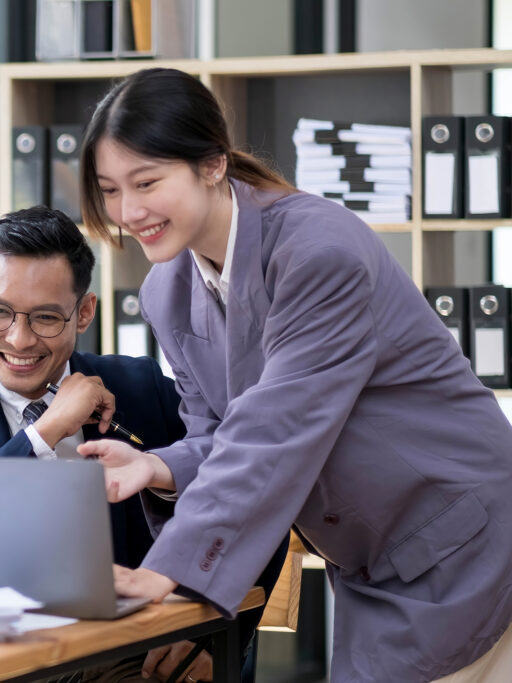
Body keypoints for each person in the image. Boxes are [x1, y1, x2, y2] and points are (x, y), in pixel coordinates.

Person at [76, 67, 512, 683]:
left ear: (212, 164)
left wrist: (164, 570)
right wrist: (160, 466)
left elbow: (276, 423)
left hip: (460, 535)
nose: (129, 211)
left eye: (147, 182)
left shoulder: (317, 250)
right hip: (375, 560)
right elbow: (219, 432)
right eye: (110, 190)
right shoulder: (166, 291)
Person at [0, 206, 285, 682]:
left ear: (85, 313)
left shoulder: (144, 389)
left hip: (135, 652)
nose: (19, 338)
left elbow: (256, 493)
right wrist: (46, 430)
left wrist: (212, 639)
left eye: (46, 318)